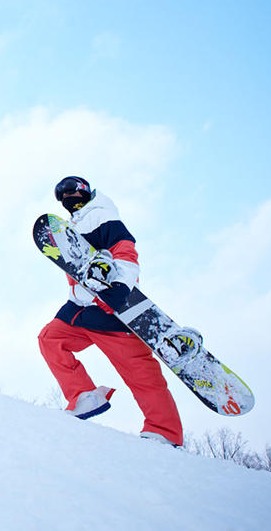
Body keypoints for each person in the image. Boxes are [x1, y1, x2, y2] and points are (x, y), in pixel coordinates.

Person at [38, 176, 183, 446]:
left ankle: (165, 432)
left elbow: (125, 252)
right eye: (62, 196)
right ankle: (84, 396)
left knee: (141, 375)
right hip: (81, 309)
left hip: (111, 313)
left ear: (85, 191)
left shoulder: (101, 216)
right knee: (51, 339)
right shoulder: (73, 226)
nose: (68, 199)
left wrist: (120, 288)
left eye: (72, 192)